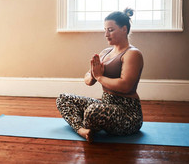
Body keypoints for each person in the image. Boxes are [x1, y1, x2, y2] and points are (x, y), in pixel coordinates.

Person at [56, 8, 144, 142]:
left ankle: (84, 122)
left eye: (111, 30)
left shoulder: (133, 54)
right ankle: (82, 130)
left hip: (128, 113)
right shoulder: (105, 53)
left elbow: (125, 86)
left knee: (93, 111)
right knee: (63, 99)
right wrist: (93, 75)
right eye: (105, 30)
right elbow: (87, 80)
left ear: (124, 29)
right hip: (105, 104)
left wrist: (99, 77)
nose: (106, 34)